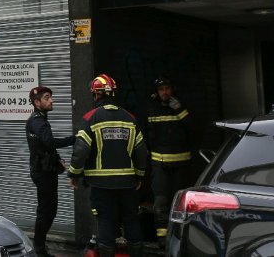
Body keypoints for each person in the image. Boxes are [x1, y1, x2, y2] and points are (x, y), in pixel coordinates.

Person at [67, 74, 148, 257]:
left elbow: (80, 151)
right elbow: (142, 151)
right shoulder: (130, 118)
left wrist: (74, 174)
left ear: (96, 95)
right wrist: (140, 175)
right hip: (128, 183)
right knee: (131, 220)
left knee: (105, 221)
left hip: (101, 184)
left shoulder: (91, 117)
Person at [26, 85, 74, 257]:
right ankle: (39, 249)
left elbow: (44, 146)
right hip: (42, 172)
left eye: (51, 97)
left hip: (45, 170)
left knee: (49, 210)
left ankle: (40, 247)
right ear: (37, 102)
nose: (51, 100)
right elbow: (49, 142)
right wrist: (74, 139)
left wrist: (57, 158)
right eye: (47, 98)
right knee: (46, 211)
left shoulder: (40, 119)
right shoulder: (37, 121)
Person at [145, 76, 192, 244]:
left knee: (180, 201)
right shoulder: (152, 109)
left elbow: (193, 128)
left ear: (172, 90)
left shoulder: (182, 107)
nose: (165, 92)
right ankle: (162, 240)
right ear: (156, 92)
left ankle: (180, 238)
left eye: (167, 88)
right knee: (161, 202)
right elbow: (147, 136)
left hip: (181, 164)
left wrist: (180, 110)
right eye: (161, 89)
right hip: (160, 164)